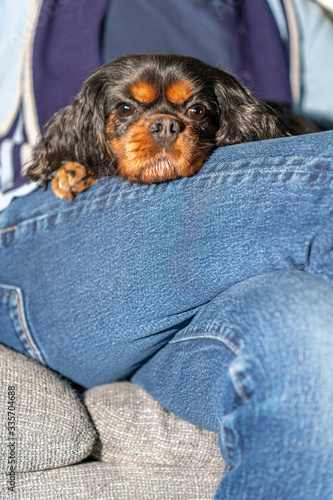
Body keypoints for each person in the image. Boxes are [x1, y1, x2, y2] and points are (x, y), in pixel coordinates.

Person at [1, 1, 333, 498]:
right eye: (128, 111)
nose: (165, 125)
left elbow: (290, 141)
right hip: (46, 237)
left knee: (306, 328)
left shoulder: (286, 11)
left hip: (214, 280)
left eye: (193, 110)